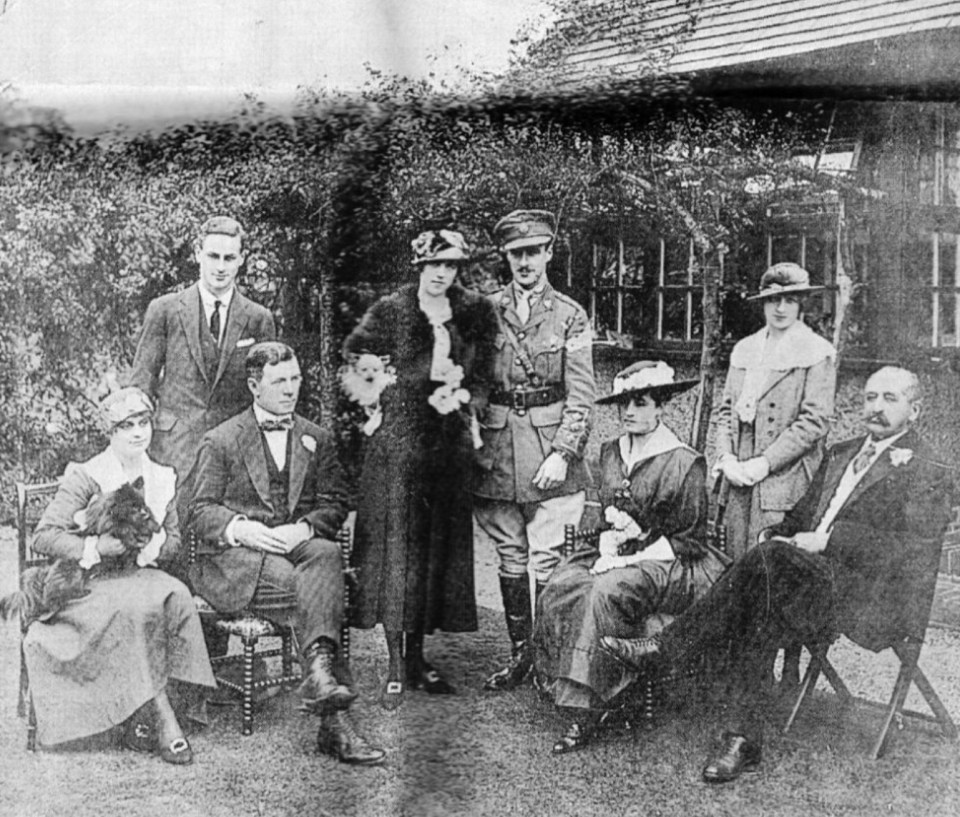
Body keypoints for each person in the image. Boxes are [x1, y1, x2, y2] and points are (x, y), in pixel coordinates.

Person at [602, 366, 953, 783]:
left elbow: (912, 553)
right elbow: (800, 516)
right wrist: (777, 534)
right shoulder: (842, 452)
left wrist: (829, 541)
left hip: (873, 598)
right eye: (870, 397)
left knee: (768, 568)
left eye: (889, 399)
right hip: (805, 583)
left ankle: (666, 649)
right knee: (763, 596)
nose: (876, 407)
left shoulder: (930, 467)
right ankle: (741, 740)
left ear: (915, 410)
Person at [188, 342, 384, 766]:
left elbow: (334, 502)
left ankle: (320, 681)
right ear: (253, 385)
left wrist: (305, 528)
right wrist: (243, 529)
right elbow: (199, 511)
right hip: (237, 562)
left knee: (326, 553)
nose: (291, 389)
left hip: (294, 549)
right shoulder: (220, 440)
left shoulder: (315, 437)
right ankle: (334, 720)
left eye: (295, 379)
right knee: (316, 591)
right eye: (279, 381)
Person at [532, 361, 728, 754]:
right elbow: (607, 516)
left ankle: (589, 709)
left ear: (661, 407)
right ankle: (559, 678)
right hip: (621, 552)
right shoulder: (610, 452)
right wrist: (609, 548)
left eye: (640, 403)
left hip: (672, 561)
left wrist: (623, 562)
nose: (629, 411)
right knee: (564, 581)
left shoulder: (684, 461)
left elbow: (688, 540)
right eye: (624, 404)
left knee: (604, 590)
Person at [343, 229, 498, 710]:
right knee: (397, 553)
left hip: (446, 451)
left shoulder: (474, 311)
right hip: (398, 447)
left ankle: (417, 659)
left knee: (431, 556)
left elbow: (485, 374)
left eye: (450, 266)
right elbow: (355, 357)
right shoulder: (391, 310)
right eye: (433, 265)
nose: (441, 274)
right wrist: (382, 391)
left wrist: (467, 396)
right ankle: (394, 664)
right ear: (419, 267)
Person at [24, 387, 215, 764]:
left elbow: (174, 539)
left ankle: (149, 712)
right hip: (92, 579)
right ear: (110, 432)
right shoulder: (88, 474)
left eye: (143, 422)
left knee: (176, 595)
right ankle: (162, 717)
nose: (138, 432)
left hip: (140, 571)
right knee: (133, 608)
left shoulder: (161, 476)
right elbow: (44, 536)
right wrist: (95, 547)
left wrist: (153, 546)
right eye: (127, 426)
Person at [473, 209, 596, 692]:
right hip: (497, 451)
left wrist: (563, 452)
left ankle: (546, 660)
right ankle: (519, 655)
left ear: (548, 253)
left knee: (546, 559)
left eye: (533, 252)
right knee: (510, 555)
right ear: (506, 257)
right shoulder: (484, 311)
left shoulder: (570, 315)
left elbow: (581, 394)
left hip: (549, 448)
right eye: (516, 254)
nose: (525, 262)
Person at [715, 262, 836, 686]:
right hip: (740, 478)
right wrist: (726, 456)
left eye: (789, 300)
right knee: (738, 566)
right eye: (772, 301)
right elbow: (726, 410)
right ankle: (743, 672)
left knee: (774, 572)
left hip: (784, 477)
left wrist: (764, 463)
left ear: (801, 304)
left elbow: (814, 421)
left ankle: (786, 670)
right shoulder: (746, 350)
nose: (780, 309)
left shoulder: (816, 352)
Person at [129, 215, 277, 487]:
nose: (220, 267)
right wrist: (135, 450)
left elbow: (268, 395)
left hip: (234, 458)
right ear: (198, 254)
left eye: (229, 258)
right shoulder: (165, 310)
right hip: (172, 454)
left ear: (241, 259)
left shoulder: (259, 319)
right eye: (213, 256)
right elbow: (141, 385)